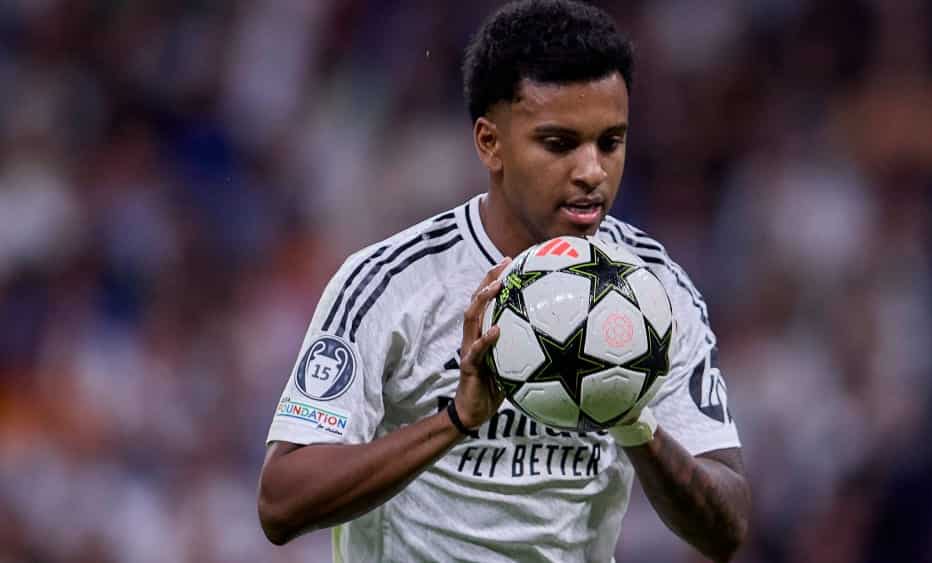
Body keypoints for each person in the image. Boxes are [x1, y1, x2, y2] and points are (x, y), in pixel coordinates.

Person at [257, 1, 750, 561]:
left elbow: (727, 528)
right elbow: (281, 501)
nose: (591, 171)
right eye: (559, 144)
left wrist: (635, 419)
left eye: (610, 142)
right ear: (490, 143)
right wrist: (456, 420)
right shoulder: (390, 283)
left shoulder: (653, 292)